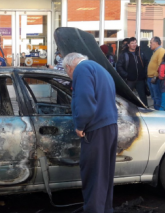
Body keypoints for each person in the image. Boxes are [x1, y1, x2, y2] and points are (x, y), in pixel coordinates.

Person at [62, 53, 117, 213]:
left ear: (69, 67)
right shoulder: (100, 68)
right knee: (104, 174)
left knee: (93, 175)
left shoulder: (82, 69)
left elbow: (84, 99)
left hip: (96, 129)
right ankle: (105, 209)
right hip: (110, 126)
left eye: (68, 74)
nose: (71, 78)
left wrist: (80, 125)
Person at [116, 37, 148, 106]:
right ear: (128, 45)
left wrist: (144, 73)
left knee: (143, 97)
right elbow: (119, 66)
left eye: (135, 43)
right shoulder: (124, 54)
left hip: (140, 80)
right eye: (132, 43)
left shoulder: (140, 52)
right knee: (127, 97)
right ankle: (128, 110)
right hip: (129, 80)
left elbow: (146, 63)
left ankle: (146, 110)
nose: (134, 44)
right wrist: (126, 75)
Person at [147, 37, 165, 110]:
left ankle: (158, 112)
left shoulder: (161, 51)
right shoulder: (155, 51)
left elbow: (160, 65)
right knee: (154, 97)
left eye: (151, 43)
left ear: (156, 43)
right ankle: (156, 110)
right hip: (151, 77)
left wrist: (155, 76)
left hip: (155, 78)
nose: (150, 44)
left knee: (157, 97)